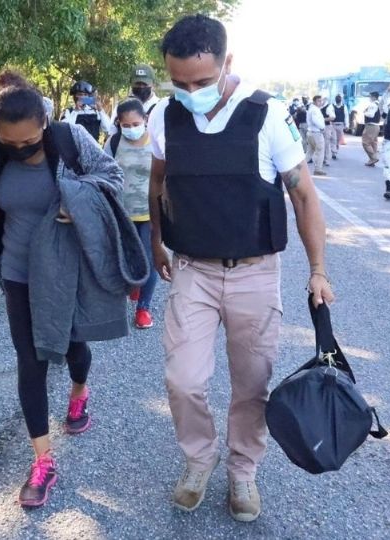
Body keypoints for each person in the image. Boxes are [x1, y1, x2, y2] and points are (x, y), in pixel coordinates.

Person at [147, 14, 335, 522]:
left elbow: (303, 195)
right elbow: (160, 180)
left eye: (202, 82)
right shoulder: (164, 115)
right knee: (183, 379)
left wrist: (317, 269)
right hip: (194, 270)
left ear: (228, 62)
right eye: (179, 82)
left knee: (252, 384)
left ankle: (243, 470)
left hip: (254, 270)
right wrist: (158, 243)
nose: (190, 92)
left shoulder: (268, 115)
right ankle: (198, 458)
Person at [0, 72, 146, 508]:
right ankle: (43, 461)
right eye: (9, 143)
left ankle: (78, 392)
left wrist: (79, 198)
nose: (21, 149)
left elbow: (111, 176)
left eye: (30, 142)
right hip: (16, 270)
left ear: (44, 124)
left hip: (64, 268)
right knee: (29, 361)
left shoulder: (69, 139)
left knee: (72, 348)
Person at [104, 98, 159, 329]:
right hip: (121, 213)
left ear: (145, 120)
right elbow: (101, 169)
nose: (131, 129)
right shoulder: (114, 142)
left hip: (150, 213)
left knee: (149, 260)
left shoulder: (157, 142)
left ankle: (143, 309)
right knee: (122, 259)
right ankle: (130, 287)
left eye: (135, 123)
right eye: (125, 125)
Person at [305, 95, 327, 175]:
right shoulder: (314, 110)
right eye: (319, 101)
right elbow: (315, 120)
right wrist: (322, 127)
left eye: (321, 101)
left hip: (311, 132)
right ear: (314, 101)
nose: (321, 102)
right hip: (316, 133)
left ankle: (300, 168)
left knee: (309, 152)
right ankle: (318, 169)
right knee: (320, 151)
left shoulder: (313, 109)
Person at [361, 91, 382, 166]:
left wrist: (364, 112)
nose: (369, 98)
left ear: (373, 97)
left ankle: (373, 157)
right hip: (376, 126)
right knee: (373, 143)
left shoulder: (373, 105)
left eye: (370, 96)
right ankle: (371, 160)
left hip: (371, 126)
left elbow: (370, 115)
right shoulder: (379, 104)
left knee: (365, 143)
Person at [320, 95, 336, 166]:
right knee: (321, 144)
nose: (320, 101)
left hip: (327, 127)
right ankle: (322, 159)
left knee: (326, 144)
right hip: (320, 127)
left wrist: (322, 119)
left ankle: (326, 160)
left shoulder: (329, 107)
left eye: (321, 100)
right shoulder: (320, 107)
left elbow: (332, 117)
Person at [330, 94, 346, 159]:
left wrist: (347, 125)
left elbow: (346, 116)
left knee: (338, 140)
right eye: (337, 98)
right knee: (333, 139)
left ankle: (335, 150)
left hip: (340, 125)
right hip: (333, 124)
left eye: (339, 98)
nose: (338, 100)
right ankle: (334, 153)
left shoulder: (344, 106)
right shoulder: (332, 106)